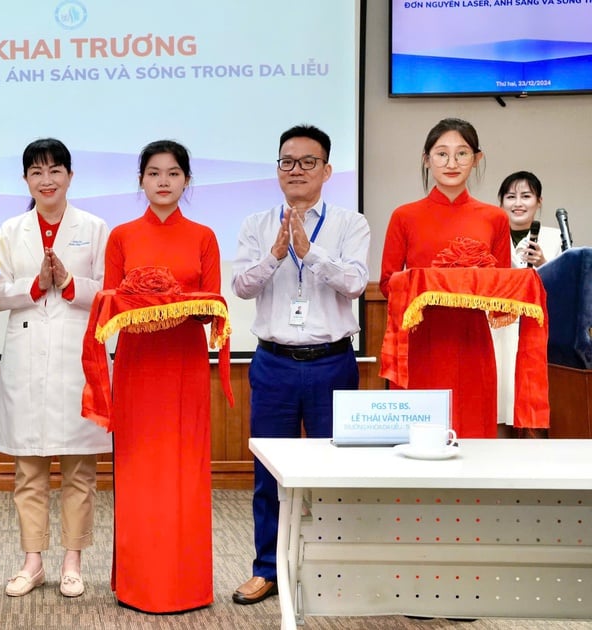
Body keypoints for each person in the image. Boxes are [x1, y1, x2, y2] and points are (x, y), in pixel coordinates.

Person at [230, 125, 370, 605]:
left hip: (332, 363)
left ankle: (336, 570)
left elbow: (354, 283)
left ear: (327, 170)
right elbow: (242, 287)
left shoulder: (350, 224)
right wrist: (275, 253)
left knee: (336, 472)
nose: (296, 170)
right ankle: (267, 569)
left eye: (307, 162)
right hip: (274, 364)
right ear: (277, 170)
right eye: (287, 162)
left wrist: (311, 254)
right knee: (269, 474)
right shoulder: (256, 223)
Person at [101, 140, 220, 613]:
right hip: (137, 365)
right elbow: (111, 302)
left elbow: (211, 305)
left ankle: (186, 585)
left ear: (186, 180)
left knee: (185, 472)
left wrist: (179, 306)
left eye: (173, 173)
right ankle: (138, 583)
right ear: (141, 181)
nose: (164, 181)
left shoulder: (204, 236)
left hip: (184, 364)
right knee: (139, 471)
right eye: (154, 173)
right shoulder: (122, 236)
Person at [0, 138, 111, 599]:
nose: (47, 180)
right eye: (37, 172)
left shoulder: (95, 227)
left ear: (70, 176)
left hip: (77, 354)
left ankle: (72, 562)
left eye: (55, 170)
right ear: (26, 180)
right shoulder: (11, 229)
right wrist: (36, 285)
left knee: (80, 468)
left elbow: (108, 291)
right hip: (26, 350)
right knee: (29, 466)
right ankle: (32, 560)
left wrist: (70, 283)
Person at [380, 118, 511, 439]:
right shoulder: (404, 216)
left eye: (462, 154)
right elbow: (386, 282)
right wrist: (425, 286)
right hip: (419, 339)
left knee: (472, 434)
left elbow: (503, 287)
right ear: (427, 159)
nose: (452, 163)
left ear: (477, 159)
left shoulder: (495, 218)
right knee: (417, 438)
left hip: (472, 340)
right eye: (441, 154)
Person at [492, 171, 561, 437]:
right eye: (511, 197)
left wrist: (545, 264)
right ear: (501, 202)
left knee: (532, 400)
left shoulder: (554, 238)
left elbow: (567, 288)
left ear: (539, 201)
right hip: (498, 330)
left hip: (537, 333)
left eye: (526, 196)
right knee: (501, 398)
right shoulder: (491, 233)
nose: (518, 203)